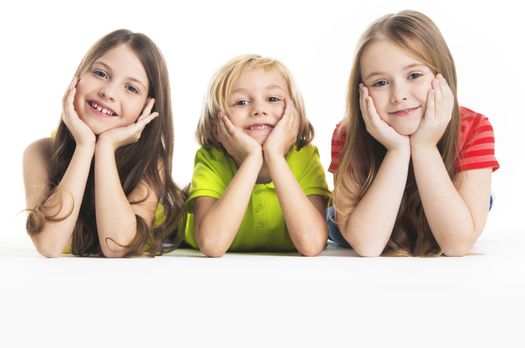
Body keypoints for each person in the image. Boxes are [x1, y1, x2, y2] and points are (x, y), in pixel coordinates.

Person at [329, 10, 499, 257]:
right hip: (367, 222)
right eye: (380, 83)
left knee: (469, 211)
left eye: (414, 75)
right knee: (337, 223)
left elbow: (457, 245)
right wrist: (397, 150)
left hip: (448, 214)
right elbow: (368, 246)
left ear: (443, 76)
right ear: (362, 91)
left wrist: (424, 146)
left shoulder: (474, 128)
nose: (399, 94)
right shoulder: (347, 134)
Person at [23, 29, 185, 258]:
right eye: (100, 73)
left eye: (131, 88)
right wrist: (85, 145)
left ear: (147, 108)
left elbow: (116, 245)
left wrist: (106, 147)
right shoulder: (39, 153)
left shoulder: (150, 163)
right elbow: (49, 244)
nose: (108, 92)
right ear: (77, 78)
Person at [185, 55, 330, 257]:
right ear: (215, 124)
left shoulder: (304, 157)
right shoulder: (211, 160)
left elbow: (312, 244)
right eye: (241, 102)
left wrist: (274, 156)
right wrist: (252, 159)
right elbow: (213, 244)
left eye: (273, 99)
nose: (259, 110)